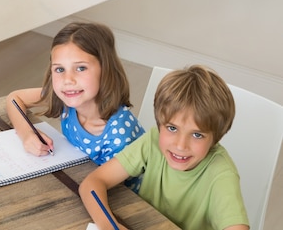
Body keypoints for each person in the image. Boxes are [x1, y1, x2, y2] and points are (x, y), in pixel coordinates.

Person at [80, 65, 249, 230]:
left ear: (215, 138)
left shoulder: (221, 174)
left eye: (197, 135)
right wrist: (108, 225)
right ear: (160, 124)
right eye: (172, 128)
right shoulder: (153, 141)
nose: (181, 146)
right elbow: (92, 183)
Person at [5, 21, 144, 190]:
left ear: (105, 70)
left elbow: (116, 194)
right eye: (59, 69)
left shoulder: (119, 137)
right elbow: (14, 98)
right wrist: (27, 134)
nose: (68, 80)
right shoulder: (67, 99)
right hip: (78, 178)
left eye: (80, 68)